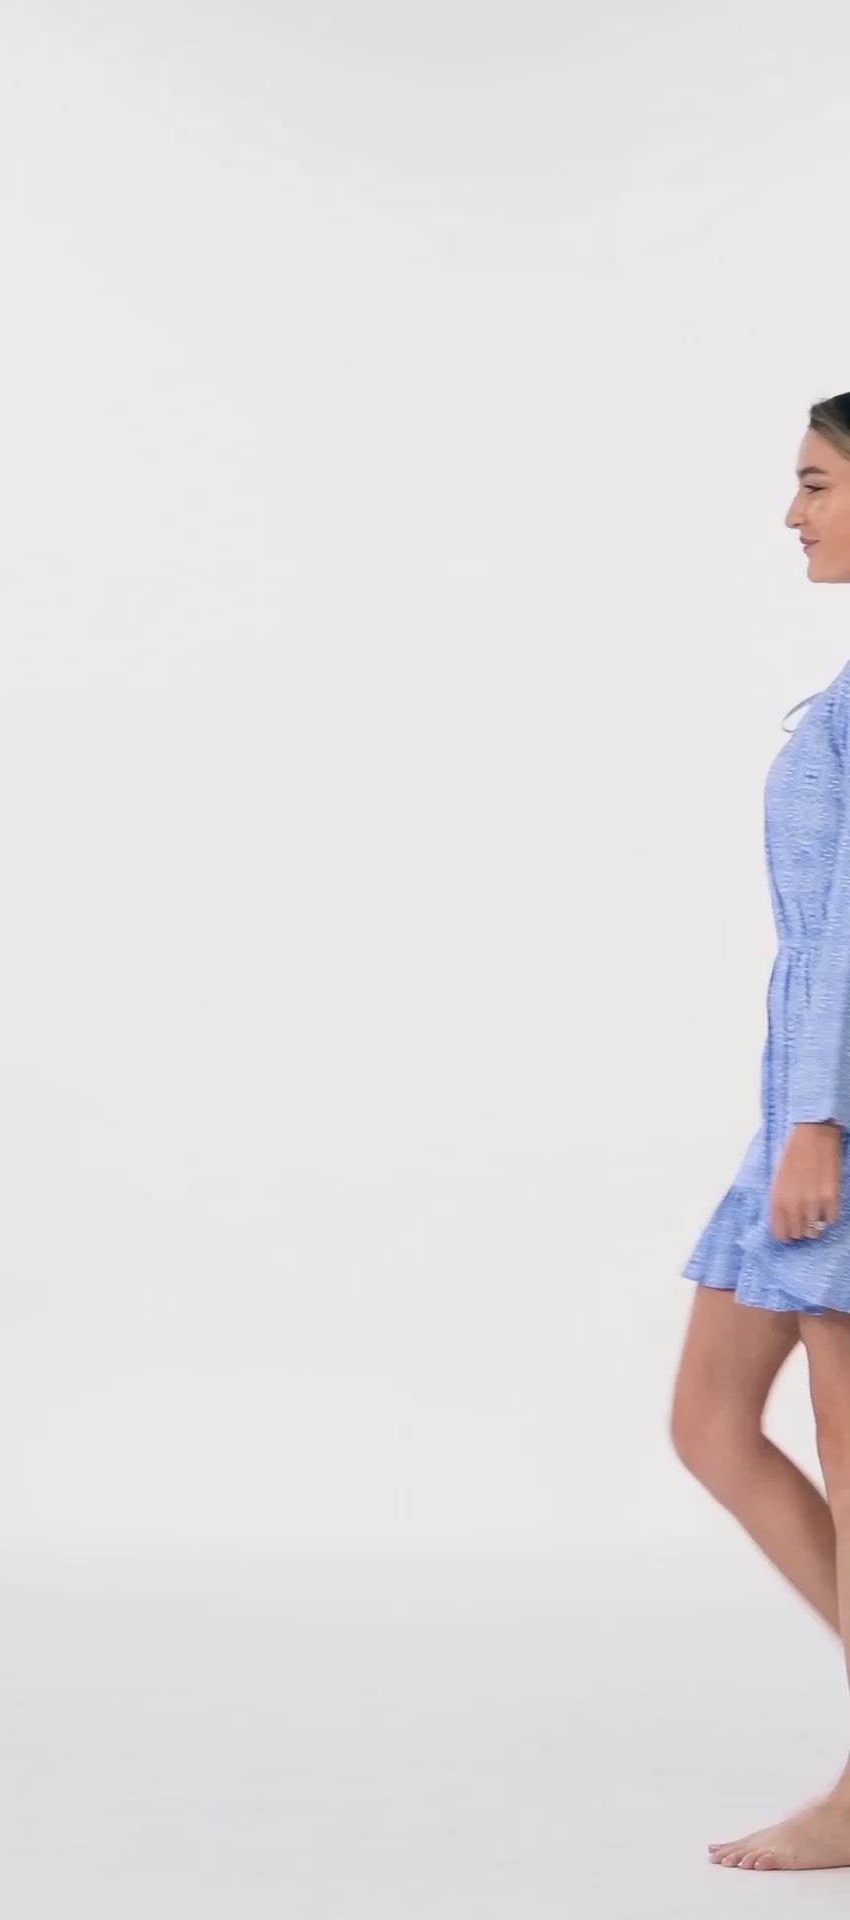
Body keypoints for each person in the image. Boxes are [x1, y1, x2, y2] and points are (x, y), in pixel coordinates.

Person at [671, 390, 850, 1871]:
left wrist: (821, 1125)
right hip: (795, 1109)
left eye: (817, 484)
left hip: (829, 1121)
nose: (793, 515)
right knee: (710, 1421)